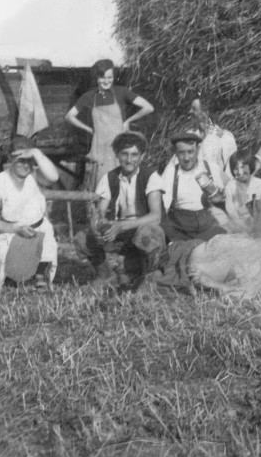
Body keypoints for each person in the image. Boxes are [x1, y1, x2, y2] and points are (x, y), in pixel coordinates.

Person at [74, 131, 166, 291]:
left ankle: (149, 277)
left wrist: (122, 226)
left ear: (142, 156)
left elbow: (156, 216)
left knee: (149, 232)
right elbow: (101, 211)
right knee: (83, 238)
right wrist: (99, 224)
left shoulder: (151, 176)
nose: (129, 160)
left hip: (140, 230)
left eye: (134, 154)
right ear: (117, 154)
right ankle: (105, 275)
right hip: (119, 234)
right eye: (125, 154)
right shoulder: (109, 178)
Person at [64, 59, 155, 191]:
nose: (106, 81)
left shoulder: (122, 92)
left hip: (120, 148)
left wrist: (128, 121)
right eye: (102, 77)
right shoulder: (89, 96)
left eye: (109, 77)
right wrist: (89, 129)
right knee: (101, 188)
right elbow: (69, 116)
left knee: (123, 186)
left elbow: (148, 107)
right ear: (96, 77)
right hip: (100, 150)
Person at [0, 136, 60, 289]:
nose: (25, 165)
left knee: (46, 256)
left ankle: (38, 279)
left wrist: (36, 153)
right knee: (9, 263)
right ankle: (13, 280)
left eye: (29, 160)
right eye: (20, 160)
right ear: (10, 159)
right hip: (9, 231)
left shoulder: (35, 176)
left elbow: (54, 177)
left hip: (38, 229)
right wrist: (15, 229)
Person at [160, 132, 228, 242]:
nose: (186, 158)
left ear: (198, 150)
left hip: (209, 227)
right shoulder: (170, 173)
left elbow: (232, 195)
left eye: (190, 152)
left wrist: (223, 197)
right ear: (176, 154)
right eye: (181, 153)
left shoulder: (211, 168)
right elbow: (163, 210)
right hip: (182, 231)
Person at [167, 89, 237, 184]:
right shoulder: (189, 135)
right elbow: (173, 165)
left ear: (206, 111)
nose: (190, 111)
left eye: (194, 109)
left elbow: (231, 172)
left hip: (214, 190)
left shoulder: (224, 138)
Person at [223, 151, 261, 238]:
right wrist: (244, 228)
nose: (239, 172)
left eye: (243, 167)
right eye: (235, 168)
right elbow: (231, 213)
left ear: (250, 166)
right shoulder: (230, 186)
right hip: (239, 230)